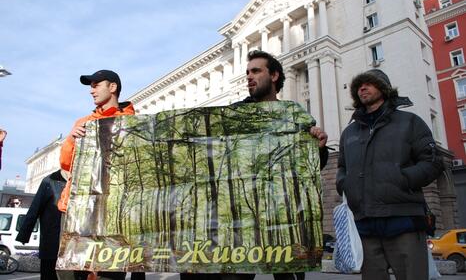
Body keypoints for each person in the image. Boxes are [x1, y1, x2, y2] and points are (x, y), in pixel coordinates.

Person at [180, 50, 328, 280]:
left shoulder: (293, 115)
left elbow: (311, 168)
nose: (249, 76)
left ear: (275, 75)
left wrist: (318, 147)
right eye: (247, 72)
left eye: (256, 71)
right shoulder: (234, 114)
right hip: (240, 222)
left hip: (282, 218)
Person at [336, 69, 444, 280]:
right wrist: (344, 183)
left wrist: (404, 179)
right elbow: (342, 167)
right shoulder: (349, 132)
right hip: (364, 226)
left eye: (369, 83)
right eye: (359, 86)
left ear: (384, 89)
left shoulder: (409, 122)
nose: (362, 88)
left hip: (403, 221)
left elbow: (433, 161)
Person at [57, 70, 144, 280]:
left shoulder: (133, 124)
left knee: (108, 270)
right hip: (74, 208)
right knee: (68, 271)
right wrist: (71, 139)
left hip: (112, 211)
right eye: (91, 86)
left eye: (96, 85)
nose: (91, 90)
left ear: (112, 87)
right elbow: (66, 163)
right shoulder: (83, 122)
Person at [16, 169, 66, 280]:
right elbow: (35, 207)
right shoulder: (49, 181)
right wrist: (24, 234)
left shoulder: (82, 181)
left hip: (74, 249)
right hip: (51, 244)